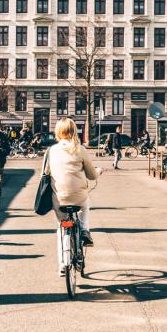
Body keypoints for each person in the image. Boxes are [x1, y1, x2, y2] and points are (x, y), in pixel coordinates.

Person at [43, 117, 102, 275]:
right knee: (85, 204)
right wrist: (99, 171)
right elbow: (91, 175)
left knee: (62, 228)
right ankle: (84, 230)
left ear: (58, 132)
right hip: (78, 196)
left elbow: (45, 173)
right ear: (74, 131)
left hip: (59, 198)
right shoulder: (80, 149)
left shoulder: (51, 151)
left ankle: (63, 264)